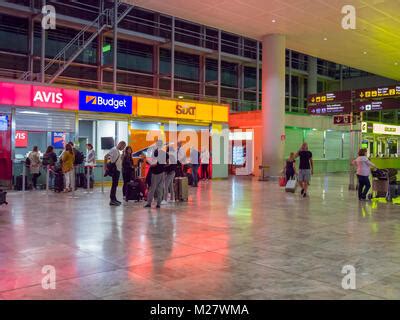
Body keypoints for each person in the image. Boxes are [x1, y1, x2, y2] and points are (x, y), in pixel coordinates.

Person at [145, 140, 166, 209]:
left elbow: (154, 164)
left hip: (155, 173)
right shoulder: (164, 153)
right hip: (162, 172)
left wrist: (148, 163)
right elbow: (167, 162)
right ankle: (158, 204)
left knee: (152, 188)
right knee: (160, 188)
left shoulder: (156, 152)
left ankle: (149, 203)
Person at [104, 141, 126, 206]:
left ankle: (114, 198)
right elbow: (106, 156)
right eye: (123, 147)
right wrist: (105, 167)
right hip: (115, 170)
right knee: (114, 185)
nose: (123, 148)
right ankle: (112, 200)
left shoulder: (117, 151)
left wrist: (123, 155)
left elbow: (119, 160)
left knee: (115, 185)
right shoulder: (113, 149)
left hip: (118, 170)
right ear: (120, 144)